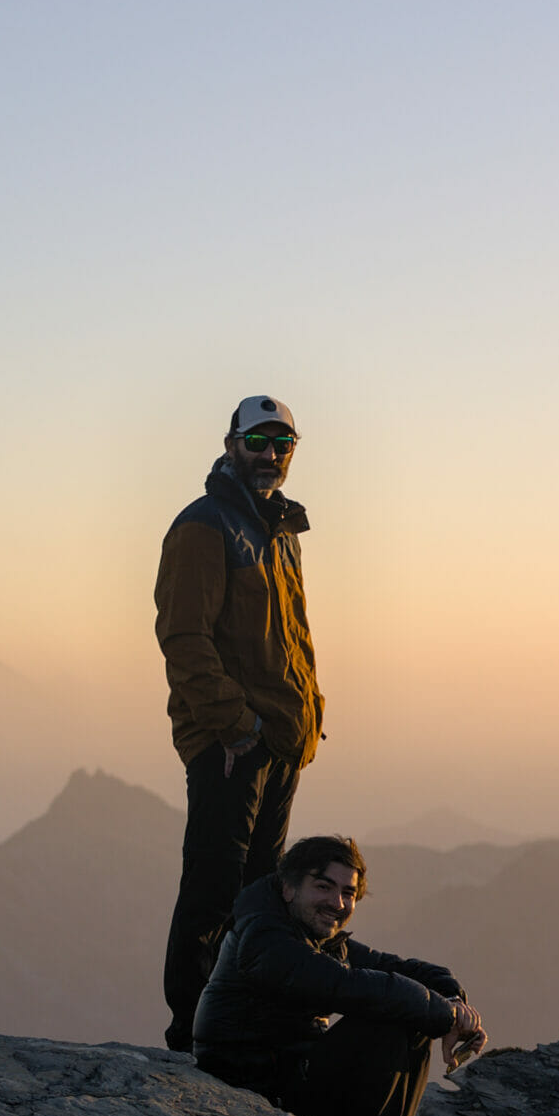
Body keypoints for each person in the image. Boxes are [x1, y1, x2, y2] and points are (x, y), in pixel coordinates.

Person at [155, 395, 325, 1049]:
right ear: (231, 444)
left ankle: (246, 1022)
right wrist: (236, 727)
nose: (272, 454)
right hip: (231, 744)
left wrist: (307, 720)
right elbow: (184, 637)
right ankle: (191, 1034)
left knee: (262, 898)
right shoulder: (206, 527)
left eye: (284, 443)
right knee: (213, 891)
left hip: (280, 743)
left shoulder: (278, 531)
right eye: (259, 441)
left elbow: (292, 639)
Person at [192, 836, 489, 1116]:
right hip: (255, 1092)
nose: (337, 902)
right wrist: (445, 1015)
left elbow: (407, 970)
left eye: (348, 893)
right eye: (323, 886)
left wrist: (455, 1004)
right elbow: (347, 986)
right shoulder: (266, 941)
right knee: (391, 1015)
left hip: (290, 1078)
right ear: (288, 888)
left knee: (410, 1007)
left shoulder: (312, 934)